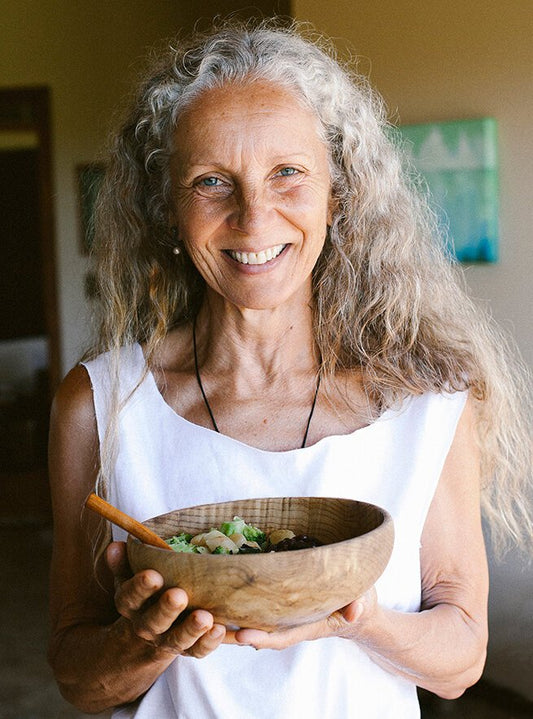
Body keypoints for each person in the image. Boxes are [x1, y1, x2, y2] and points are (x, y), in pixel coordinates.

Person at [48, 19, 532, 719]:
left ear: (338, 194)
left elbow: (460, 661)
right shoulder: (99, 403)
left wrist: (357, 617)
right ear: (169, 208)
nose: (253, 217)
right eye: (212, 180)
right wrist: (148, 639)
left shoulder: (424, 402)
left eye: (287, 173)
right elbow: (77, 677)